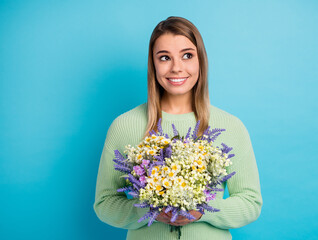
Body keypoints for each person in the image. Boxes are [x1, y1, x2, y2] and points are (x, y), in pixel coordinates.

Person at [93, 16, 263, 240]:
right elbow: (104, 204)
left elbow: (250, 202)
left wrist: (202, 212)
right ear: (153, 64)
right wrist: (150, 211)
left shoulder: (230, 126)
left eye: (187, 55)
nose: (177, 68)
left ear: (200, 60)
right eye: (164, 58)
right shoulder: (125, 125)